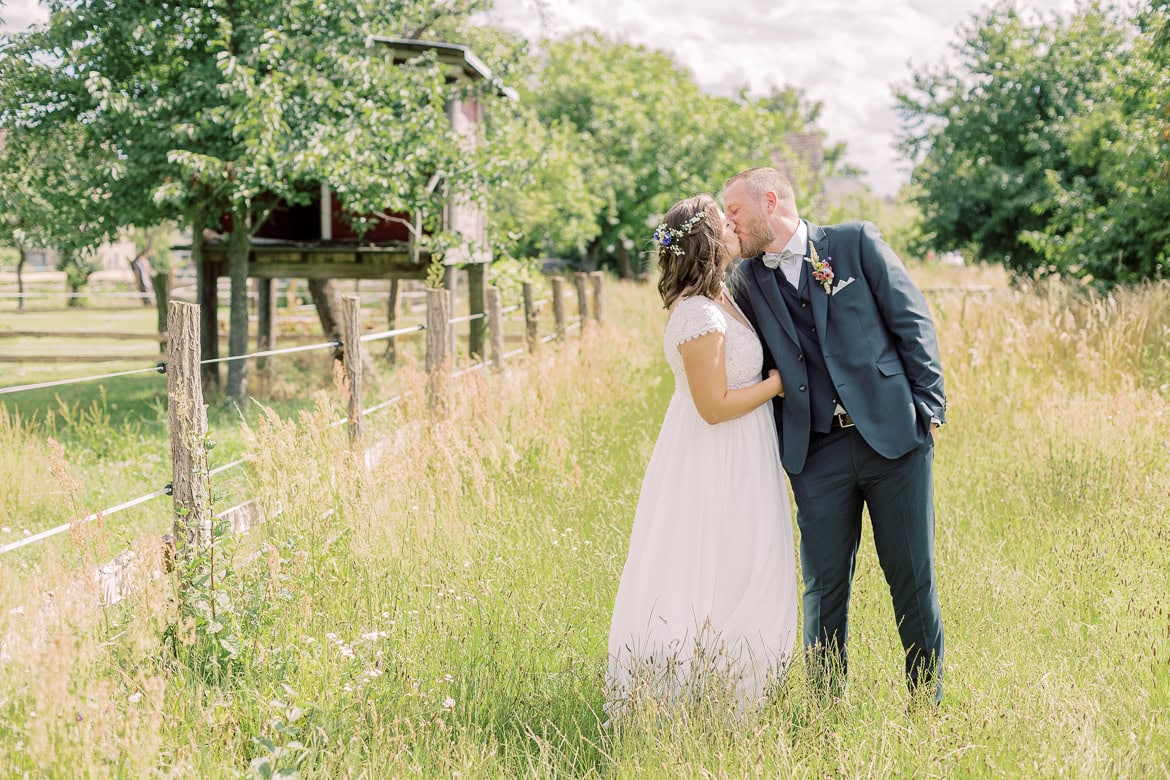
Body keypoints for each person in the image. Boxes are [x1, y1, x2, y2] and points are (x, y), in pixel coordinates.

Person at [723, 167, 947, 704]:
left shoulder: (854, 243)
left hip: (893, 439)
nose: (728, 222)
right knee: (823, 587)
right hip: (814, 450)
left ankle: (927, 703)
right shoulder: (746, 279)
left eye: (734, 211)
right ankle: (824, 708)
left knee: (912, 578)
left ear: (770, 200)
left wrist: (929, 407)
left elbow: (912, 322)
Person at [606, 193, 798, 717]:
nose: (736, 224)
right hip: (717, 453)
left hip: (743, 451)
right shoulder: (697, 314)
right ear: (709, 238)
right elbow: (713, 406)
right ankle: (690, 694)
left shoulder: (723, 297)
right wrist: (777, 384)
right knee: (712, 560)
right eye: (725, 218)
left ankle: (736, 686)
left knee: (741, 558)